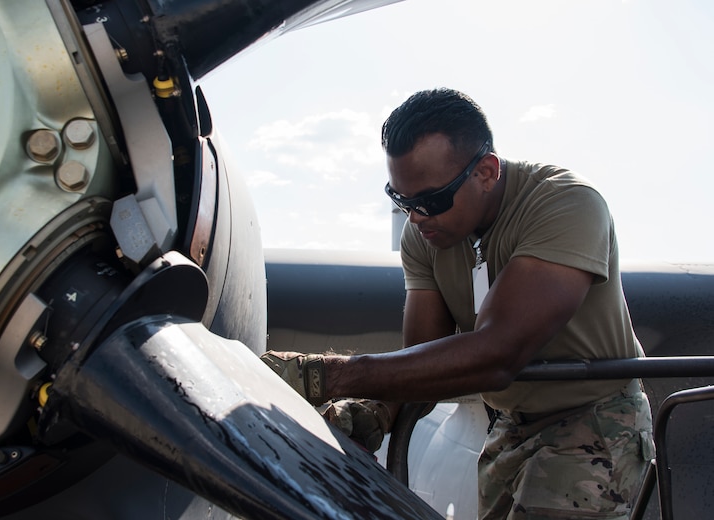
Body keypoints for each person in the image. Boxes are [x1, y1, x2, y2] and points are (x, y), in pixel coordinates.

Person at [261, 88, 654, 519]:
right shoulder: (425, 236)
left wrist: (326, 375)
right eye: (401, 201)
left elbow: (498, 351)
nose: (415, 218)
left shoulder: (567, 205)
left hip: (594, 419)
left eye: (430, 201)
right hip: (509, 423)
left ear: (486, 172)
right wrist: (376, 410)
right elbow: (423, 362)